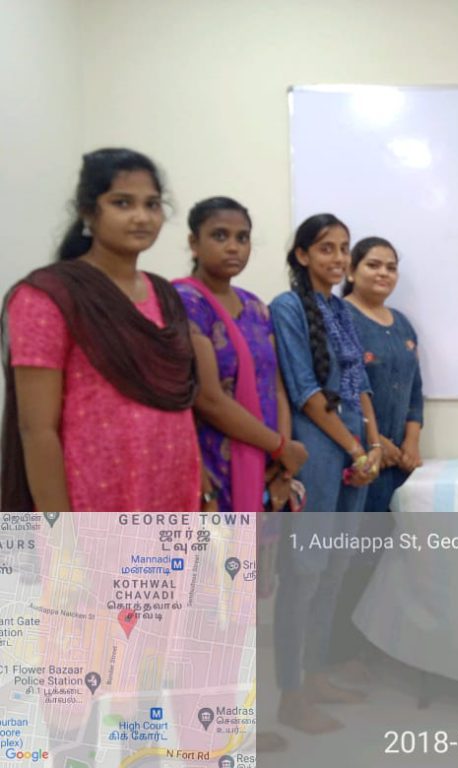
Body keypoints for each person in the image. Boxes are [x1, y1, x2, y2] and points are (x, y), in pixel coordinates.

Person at [1, 148, 200, 512]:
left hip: (171, 488)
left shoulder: (165, 294)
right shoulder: (48, 296)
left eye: (152, 204)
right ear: (88, 212)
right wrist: (60, 532)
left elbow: (180, 406)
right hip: (92, 498)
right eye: (122, 203)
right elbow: (36, 430)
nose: (141, 217)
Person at [270, 213, 383, 734]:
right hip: (319, 453)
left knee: (334, 571)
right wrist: (355, 448)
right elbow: (307, 394)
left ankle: (315, 677)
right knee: (304, 576)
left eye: (343, 248)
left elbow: (360, 385)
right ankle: (290, 695)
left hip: (354, 453)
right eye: (325, 248)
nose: (338, 258)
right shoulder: (287, 307)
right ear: (302, 255)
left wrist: (373, 447)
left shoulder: (340, 308)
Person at [174, 197, 308, 513]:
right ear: (194, 243)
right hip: (213, 460)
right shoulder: (185, 302)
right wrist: (280, 446)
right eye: (220, 236)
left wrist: (282, 462)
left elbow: (276, 388)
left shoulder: (256, 307)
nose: (233, 247)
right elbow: (208, 399)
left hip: (268, 458)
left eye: (242, 238)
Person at [343, 236, 424, 510]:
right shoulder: (340, 317)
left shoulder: (402, 324)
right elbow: (341, 391)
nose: (383, 273)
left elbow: (415, 391)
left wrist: (411, 443)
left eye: (391, 268)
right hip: (358, 456)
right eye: (373, 265)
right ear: (351, 271)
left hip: (400, 460)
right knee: (353, 534)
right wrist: (375, 441)